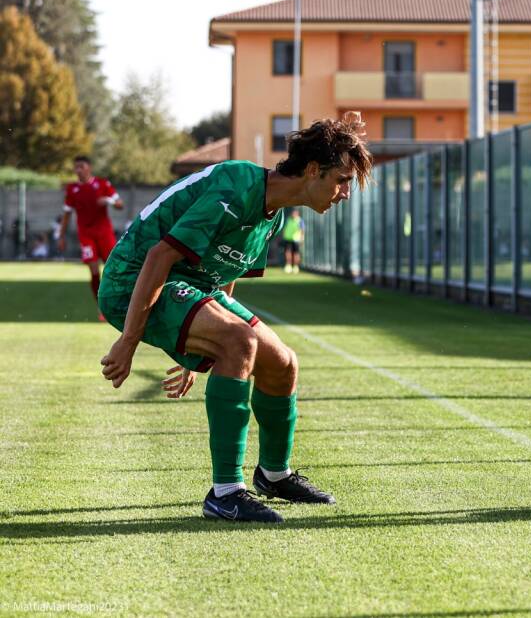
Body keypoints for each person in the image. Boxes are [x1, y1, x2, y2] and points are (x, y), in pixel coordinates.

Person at [97, 114, 373, 523]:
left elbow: (222, 277)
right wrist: (128, 342)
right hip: (132, 283)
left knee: (283, 363)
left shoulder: (274, 214)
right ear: (313, 170)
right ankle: (225, 493)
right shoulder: (236, 185)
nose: (345, 193)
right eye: (342, 180)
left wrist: (203, 342)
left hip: (188, 286)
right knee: (240, 341)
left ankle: (274, 475)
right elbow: (158, 257)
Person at [57, 155, 124, 319]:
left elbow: (120, 204)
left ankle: (120, 301)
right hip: (86, 235)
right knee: (94, 270)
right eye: (76, 167)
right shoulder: (72, 189)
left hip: (104, 233)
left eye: (81, 166)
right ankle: (102, 307)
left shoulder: (103, 184)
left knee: (113, 269)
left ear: (89, 168)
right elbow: (66, 214)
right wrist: (61, 236)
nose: (78, 170)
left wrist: (108, 200)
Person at [281, 209, 305, 273]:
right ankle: (288, 265)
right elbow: (284, 228)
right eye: (293, 213)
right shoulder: (288, 219)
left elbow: (302, 231)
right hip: (287, 238)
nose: (293, 214)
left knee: (296, 253)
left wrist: (302, 239)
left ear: (298, 214)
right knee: (287, 252)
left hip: (296, 239)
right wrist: (283, 235)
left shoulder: (300, 221)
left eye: (295, 213)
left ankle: (295, 266)